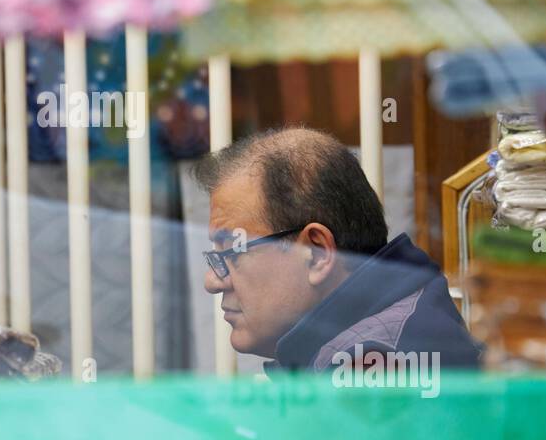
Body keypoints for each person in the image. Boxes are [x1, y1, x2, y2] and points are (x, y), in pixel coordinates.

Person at [194, 127, 481, 371]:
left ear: (317, 254)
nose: (212, 281)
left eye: (233, 250)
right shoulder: (379, 340)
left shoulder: (375, 364)